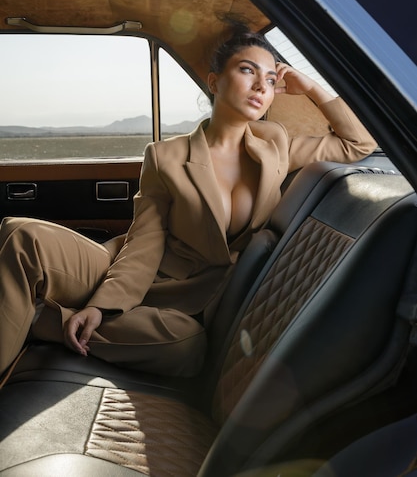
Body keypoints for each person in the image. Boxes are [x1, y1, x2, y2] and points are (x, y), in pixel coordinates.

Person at [0, 22, 377, 379]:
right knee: (21, 235)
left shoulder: (276, 144)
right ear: (214, 81)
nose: (261, 85)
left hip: (188, 302)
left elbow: (359, 142)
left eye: (271, 79)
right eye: (248, 71)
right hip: (126, 271)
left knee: (186, 347)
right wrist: (102, 305)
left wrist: (311, 87)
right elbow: (145, 241)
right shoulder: (164, 155)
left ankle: (40, 319)